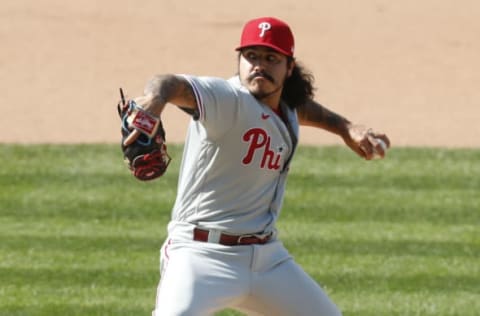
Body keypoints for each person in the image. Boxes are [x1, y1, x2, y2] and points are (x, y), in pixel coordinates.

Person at [124, 16, 390, 316]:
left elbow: (297, 107)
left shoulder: (285, 107)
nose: (259, 65)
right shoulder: (225, 98)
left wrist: (345, 127)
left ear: (289, 67)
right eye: (251, 56)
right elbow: (169, 83)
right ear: (239, 60)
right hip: (200, 255)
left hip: (267, 260)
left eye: (271, 58)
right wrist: (156, 99)